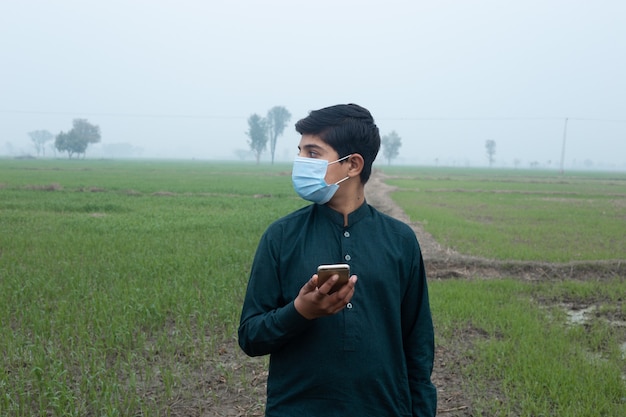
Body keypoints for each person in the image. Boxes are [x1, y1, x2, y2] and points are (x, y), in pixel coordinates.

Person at [238, 103, 437, 416]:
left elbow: (418, 347)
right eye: (300, 151)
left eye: (313, 154)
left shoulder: (400, 241)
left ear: (353, 164)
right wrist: (300, 311)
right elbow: (250, 336)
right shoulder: (280, 237)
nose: (300, 162)